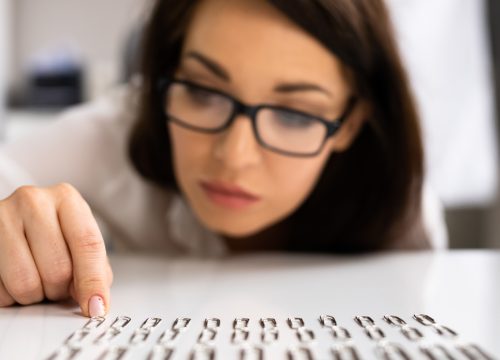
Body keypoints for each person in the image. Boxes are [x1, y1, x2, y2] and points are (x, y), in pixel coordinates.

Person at [0, 0, 440, 318]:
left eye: (293, 114)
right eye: (203, 92)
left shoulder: (399, 208)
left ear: (348, 123)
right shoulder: (113, 133)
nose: (235, 156)